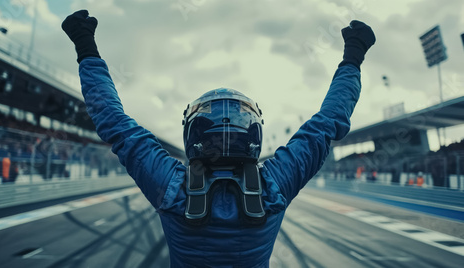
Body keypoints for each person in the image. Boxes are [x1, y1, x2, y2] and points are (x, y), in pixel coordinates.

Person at [62, 10, 375, 267]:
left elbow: (113, 121)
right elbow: (328, 122)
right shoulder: (274, 185)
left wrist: (85, 47)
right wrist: (353, 56)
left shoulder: (171, 185)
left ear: (193, 134)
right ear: (253, 134)